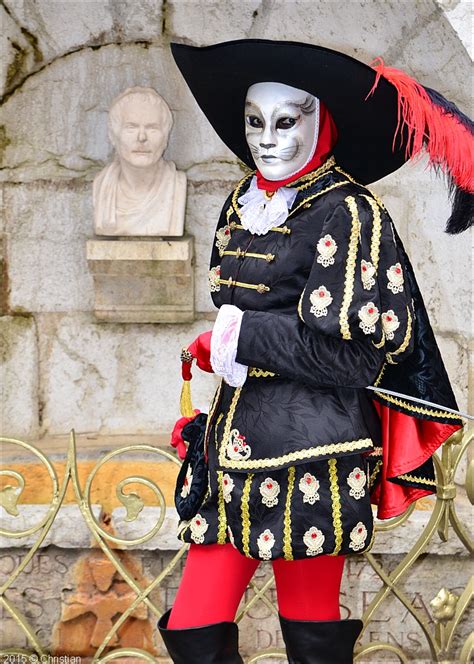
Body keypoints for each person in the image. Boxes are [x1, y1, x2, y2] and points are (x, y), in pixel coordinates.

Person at [158, 39, 472, 664]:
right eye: (253, 122)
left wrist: (231, 337)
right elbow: (246, 310)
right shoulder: (241, 202)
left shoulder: (351, 213)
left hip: (316, 454)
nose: (266, 139)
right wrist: (222, 343)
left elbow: (354, 359)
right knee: (194, 629)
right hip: (230, 446)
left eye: (286, 120)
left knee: (311, 633)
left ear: (322, 121)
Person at [93, 86, 186, 236]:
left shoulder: (176, 185)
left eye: (152, 128)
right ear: (113, 135)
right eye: (131, 127)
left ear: (165, 136)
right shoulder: (101, 186)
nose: (142, 137)